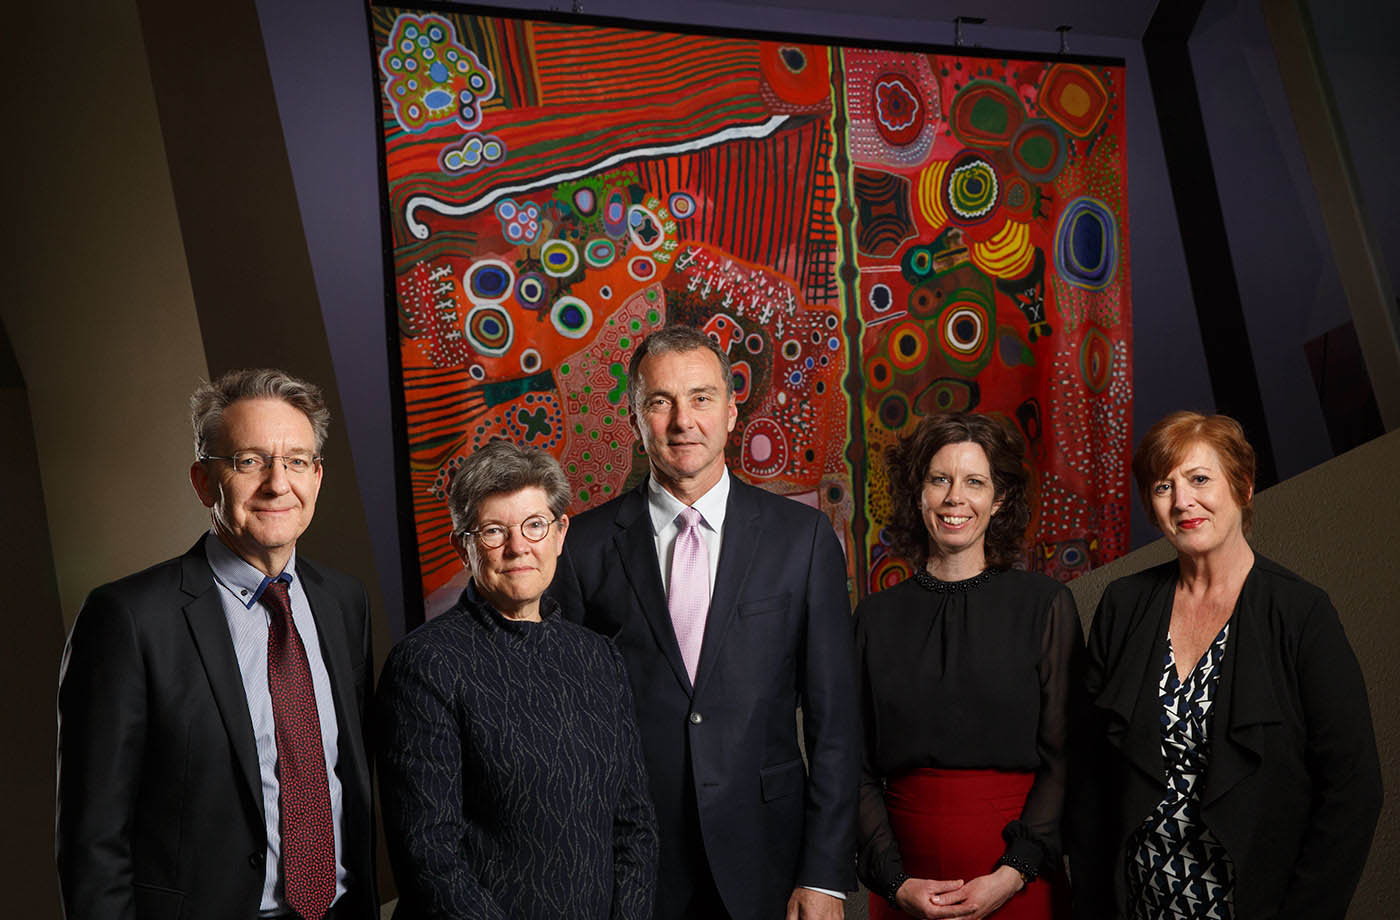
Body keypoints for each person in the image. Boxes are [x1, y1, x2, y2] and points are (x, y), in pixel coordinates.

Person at [551, 325, 860, 920]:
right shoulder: (583, 547)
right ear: (636, 420)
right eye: (660, 402)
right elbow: (568, 731)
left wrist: (825, 874)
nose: (682, 420)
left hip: (769, 854)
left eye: (700, 398)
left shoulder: (803, 539)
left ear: (731, 410)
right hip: (634, 867)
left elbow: (835, 722)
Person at [56, 368, 377, 920]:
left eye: (297, 461)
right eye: (249, 461)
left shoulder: (344, 602)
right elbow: (93, 840)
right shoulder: (129, 618)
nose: (278, 483)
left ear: (317, 478)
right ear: (204, 481)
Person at [1069, 411, 1382, 919]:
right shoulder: (1122, 606)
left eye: (1199, 479)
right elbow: (1089, 777)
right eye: (1163, 486)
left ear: (1243, 486)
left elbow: (1355, 788)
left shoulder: (1300, 613)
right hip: (1139, 904)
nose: (1183, 501)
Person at [376, 438, 657, 920]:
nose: (518, 547)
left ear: (560, 532)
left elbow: (635, 826)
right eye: (492, 531)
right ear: (463, 548)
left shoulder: (598, 658)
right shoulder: (425, 664)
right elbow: (430, 856)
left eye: (534, 525)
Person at [855, 412, 1081, 920]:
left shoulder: (1045, 605)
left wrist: (1012, 873)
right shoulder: (874, 618)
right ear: (919, 494)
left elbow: (1065, 757)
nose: (956, 497)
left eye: (975, 482)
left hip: (1019, 879)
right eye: (940, 479)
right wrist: (895, 882)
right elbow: (854, 766)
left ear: (998, 500)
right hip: (907, 886)